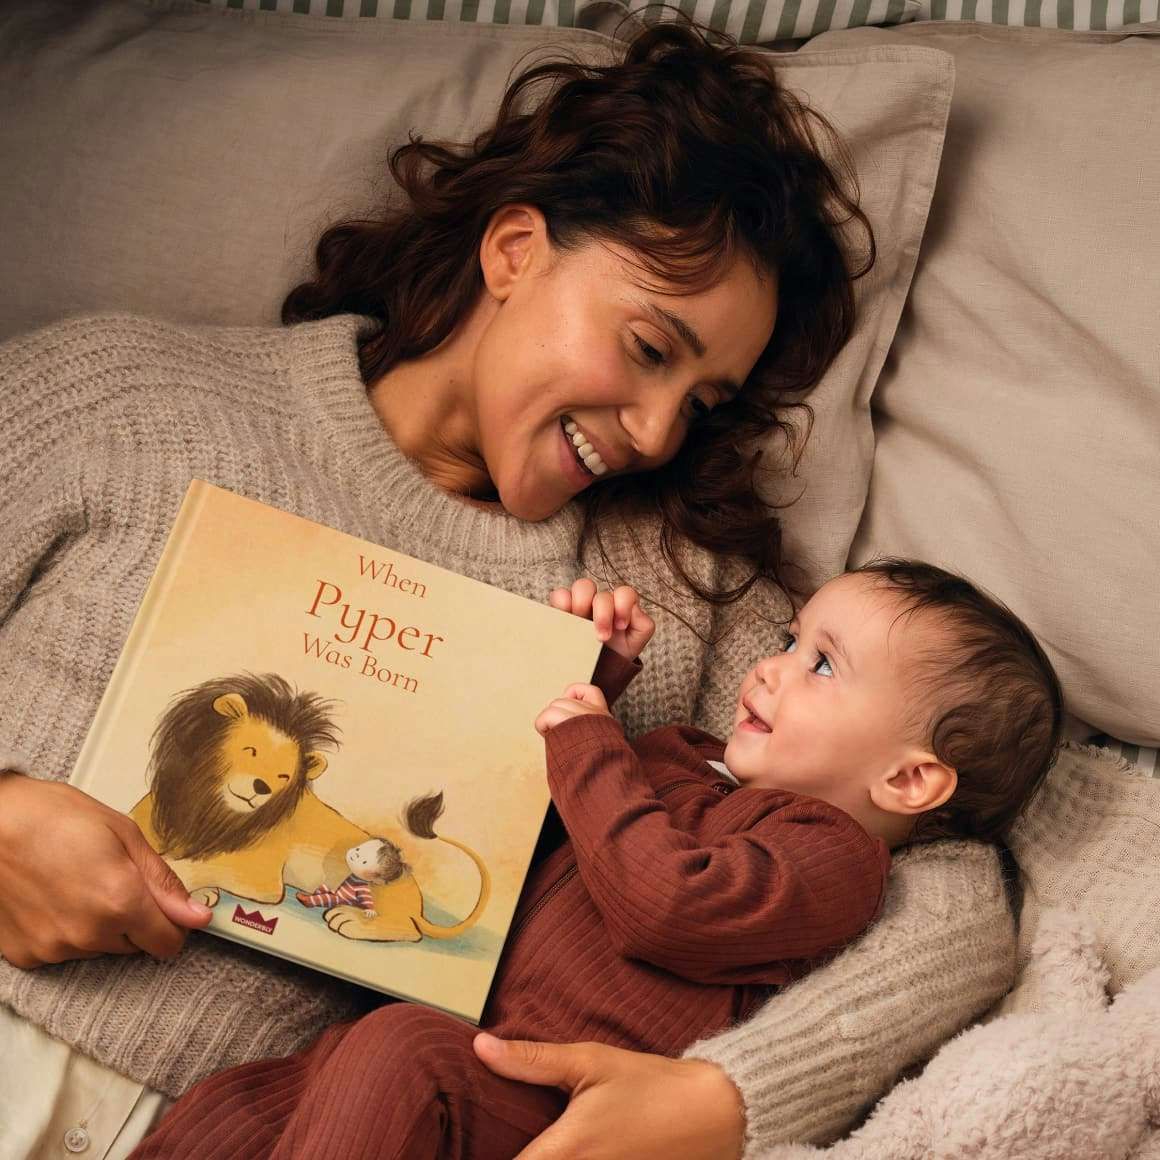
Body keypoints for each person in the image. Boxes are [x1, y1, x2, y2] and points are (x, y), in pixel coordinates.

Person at [0, 18, 1016, 1160]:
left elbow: (944, 879)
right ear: (514, 250)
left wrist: (730, 1097)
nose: (652, 428)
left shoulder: (674, 592)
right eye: (646, 348)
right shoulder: (125, 394)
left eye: (701, 399)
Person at [130, 558, 1062, 1159]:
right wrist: (593, 681)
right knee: (233, 1113)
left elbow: (662, 901)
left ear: (907, 783)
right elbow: (532, 823)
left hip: (550, 1107)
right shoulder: (677, 756)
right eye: (787, 640)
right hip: (463, 1040)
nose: (771, 668)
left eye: (821, 664)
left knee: (399, 1053)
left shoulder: (832, 857)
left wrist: (588, 739)